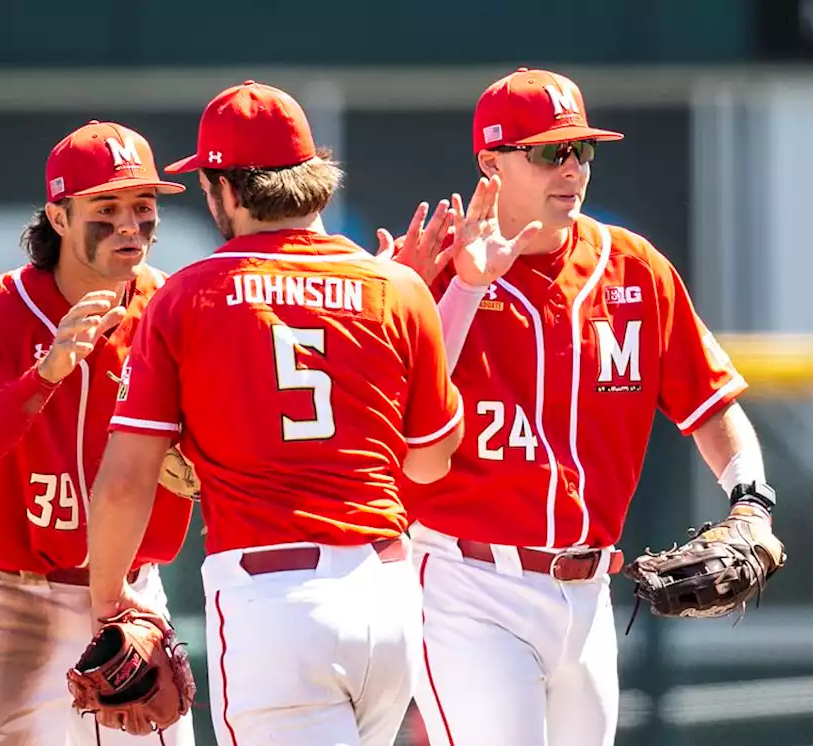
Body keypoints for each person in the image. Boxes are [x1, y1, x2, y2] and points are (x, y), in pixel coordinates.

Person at [393, 68, 777, 746]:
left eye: (582, 150)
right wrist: (459, 290)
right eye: (548, 151)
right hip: (467, 582)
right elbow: (408, 413)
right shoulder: (433, 271)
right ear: (491, 162)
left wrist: (751, 500)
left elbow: (711, 404)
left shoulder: (634, 268)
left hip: (589, 589)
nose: (571, 167)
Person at [81, 80, 468, 746]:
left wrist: (109, 598)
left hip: (274, 600)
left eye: (208, 185)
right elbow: (431, 460)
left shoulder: (186, 297)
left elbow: (124, 482)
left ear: (229, 189)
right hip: (389, 594)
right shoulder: (398, 287)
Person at [0, 120, 197, 745]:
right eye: (107, 208)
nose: (130, 225)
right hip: (10, 601)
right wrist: (43, 374)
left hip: (128, 594)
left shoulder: (170, 310)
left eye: (143, 206)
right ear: (59, 215)